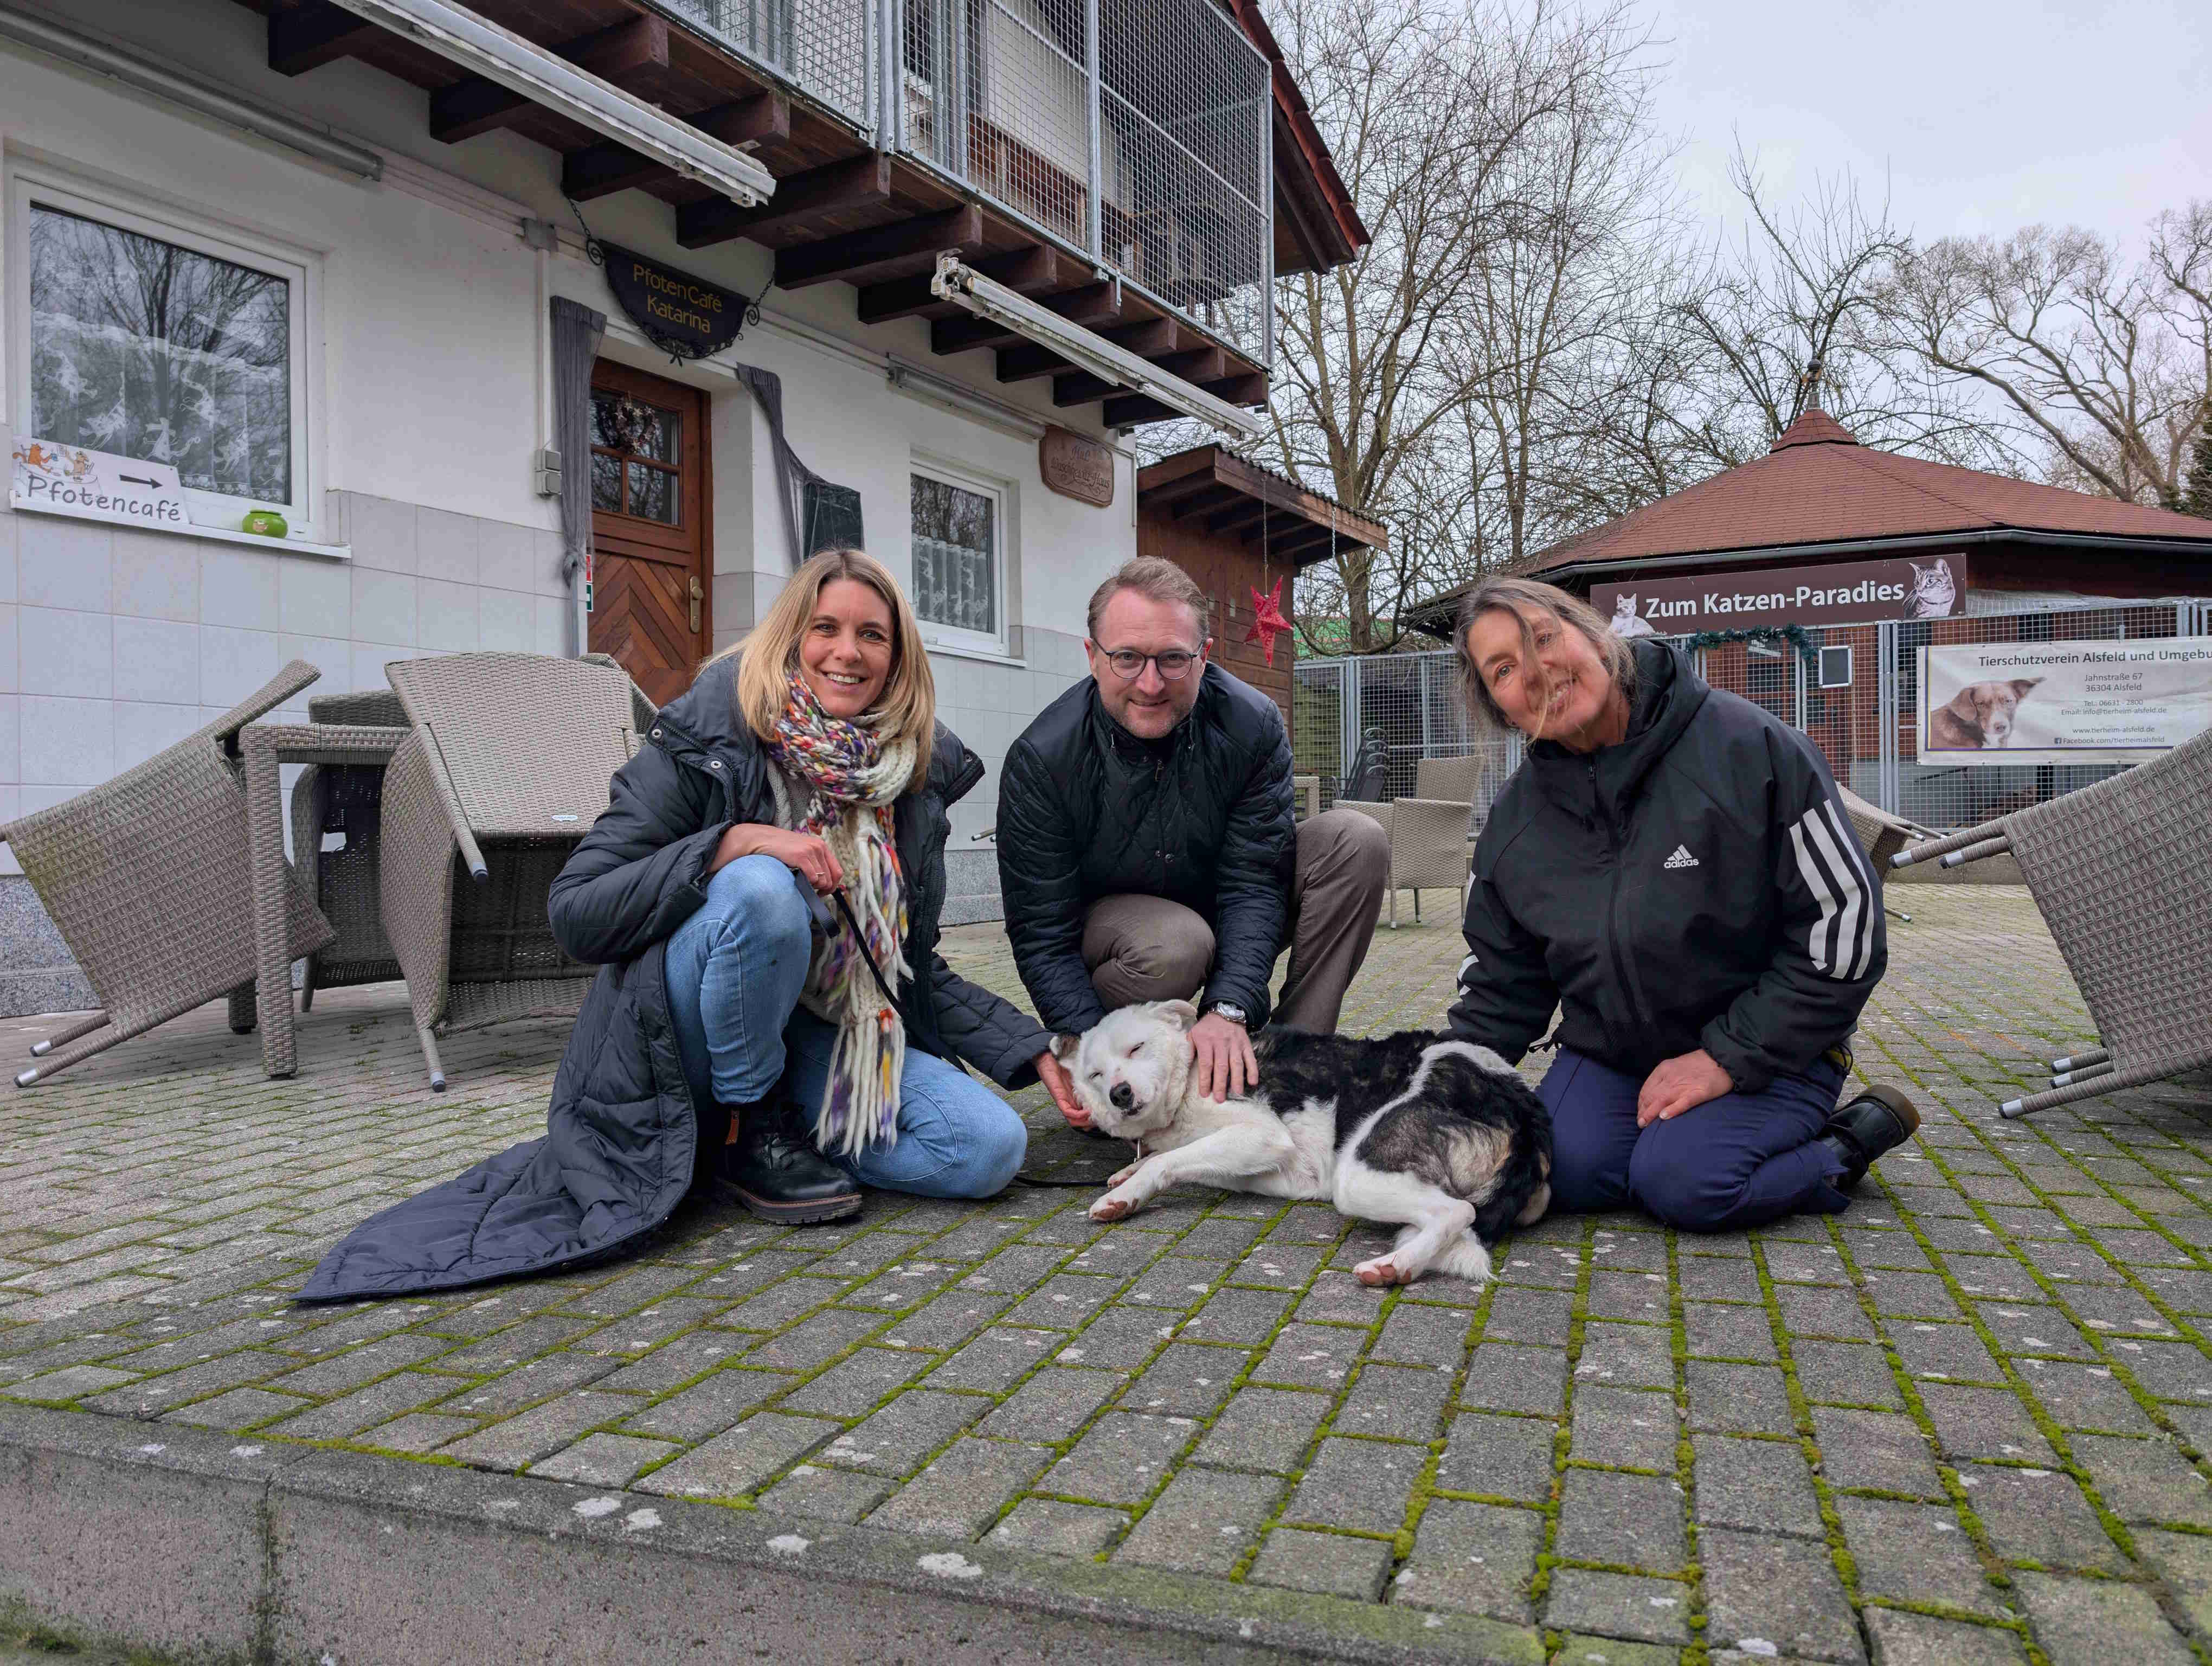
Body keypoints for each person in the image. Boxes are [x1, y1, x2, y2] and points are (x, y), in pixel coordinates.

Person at [298, 549, 1051, 1302]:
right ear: (791, 637)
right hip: (680, 1023)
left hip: (823, 1035)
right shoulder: (711, 736)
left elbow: (909, 967)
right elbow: (579, 910)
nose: (846, 652)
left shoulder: (907, 780)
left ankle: (755, 1142)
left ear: (898, 658)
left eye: (872, 635)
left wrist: (1038, 1055)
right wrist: (732, 843)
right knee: (760, 892)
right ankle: (751, 1127)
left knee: (987, 1151)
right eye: (825, 628)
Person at [1446, 576, 1920, 1232]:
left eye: (1544, 638)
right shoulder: (1516, 823)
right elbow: (1503, 985)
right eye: (1502, 669)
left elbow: (1846, 930)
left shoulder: (1749, 749)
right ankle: (1667, 1144)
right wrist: (1432, 1087)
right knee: (1563, 1172)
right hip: (1616, 1055)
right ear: (1501, 710)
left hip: (1776, 1049)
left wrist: (1725, 1058)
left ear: (1592, 632)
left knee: (1686, 1181)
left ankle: (1844, 1146)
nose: (1534, 671)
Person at [997, 556, 1389, 1119]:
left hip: (1224, 910)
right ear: (1093, 658)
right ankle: (1140, 1068)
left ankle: (1287, 1064)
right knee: (1176, 944)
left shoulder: (1253, 725)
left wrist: (1230, 1009)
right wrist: (1088, 1052)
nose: (1150, 683)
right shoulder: (1043, 759)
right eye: (1127, 658)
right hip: (1123, 944)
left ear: (1204, 658)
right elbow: (1041, 934)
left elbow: (1257, 878)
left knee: (1357, 840)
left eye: (1174, 659)